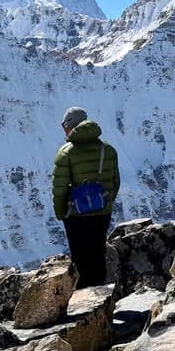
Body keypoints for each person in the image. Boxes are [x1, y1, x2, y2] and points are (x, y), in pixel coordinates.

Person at [52, 106, 120, 287]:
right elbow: (115, 182)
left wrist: (61, 212)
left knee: (80, 257)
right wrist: (105, 203)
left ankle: (84, 302)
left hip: (76, 214)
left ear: (70, 126)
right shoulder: (108, 150)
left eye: (64, 125)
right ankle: (103, 298)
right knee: (98, 253)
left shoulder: (66, 152)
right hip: (102, 212)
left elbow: (59, 188)